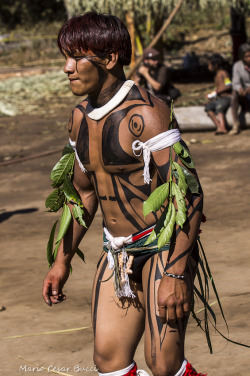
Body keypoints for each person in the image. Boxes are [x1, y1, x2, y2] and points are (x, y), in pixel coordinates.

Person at [42, 12, 205, 376]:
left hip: (164, 245)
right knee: (109, 360)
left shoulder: (148, 114)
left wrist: (176, 274)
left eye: (76, 57)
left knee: (162, 363)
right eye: (65, 58)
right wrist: (61, 261)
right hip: (118, 249)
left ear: (110, 58)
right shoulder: (78, 119)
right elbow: (83, 195)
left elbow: (189, 196)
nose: (67, 68)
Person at [204, 54, 232, 135]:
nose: (208, 67)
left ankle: (223, 127)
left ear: (215, 65)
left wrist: (216, 92)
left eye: (209, 65)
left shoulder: (223, 73)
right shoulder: (216, 76)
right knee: (208, 108)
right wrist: (212, 97)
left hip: (226, 98)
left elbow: (229, 85)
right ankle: (219, 126)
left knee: (219, 108)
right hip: (219, 98)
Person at [230, 42, 250, 135]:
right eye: (247, 56)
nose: (249, 58)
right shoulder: (237, 66)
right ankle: (235, 124)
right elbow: (235, 82)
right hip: (245, 92)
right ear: (242, 57)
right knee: (234, 95)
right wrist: (240, 89)